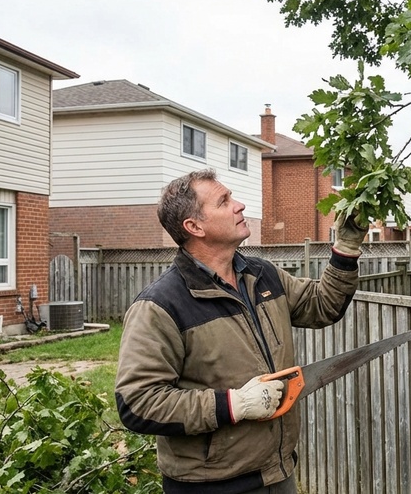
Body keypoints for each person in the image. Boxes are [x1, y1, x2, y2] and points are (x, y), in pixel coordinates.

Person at [114, 169, 368, 494]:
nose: (240, 205)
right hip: (211, 485)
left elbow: (322, 306)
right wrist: (232, 405)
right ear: (195, 227)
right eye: (224, 201)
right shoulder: (161, 305)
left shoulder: (261, 275)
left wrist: (346, 247)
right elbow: (137, 402)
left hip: (278, 472)